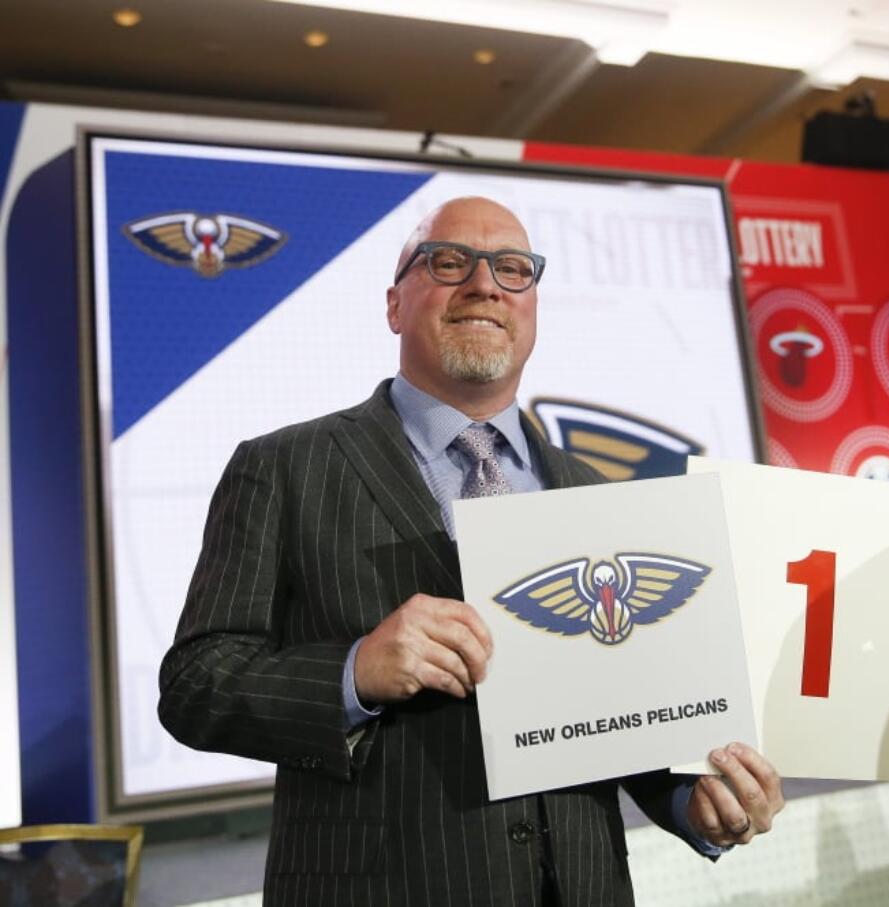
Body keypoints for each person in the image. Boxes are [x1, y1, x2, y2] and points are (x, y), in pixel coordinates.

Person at [158, 196, 785, 906]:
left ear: (534, 309)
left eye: (513, 269)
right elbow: (195, 685)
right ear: (395, 304)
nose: (485, 284)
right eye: (449, 261)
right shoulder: (283, 467)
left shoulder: (598, 495)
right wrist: (353, 670)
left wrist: (691, 800)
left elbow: (619, 713)